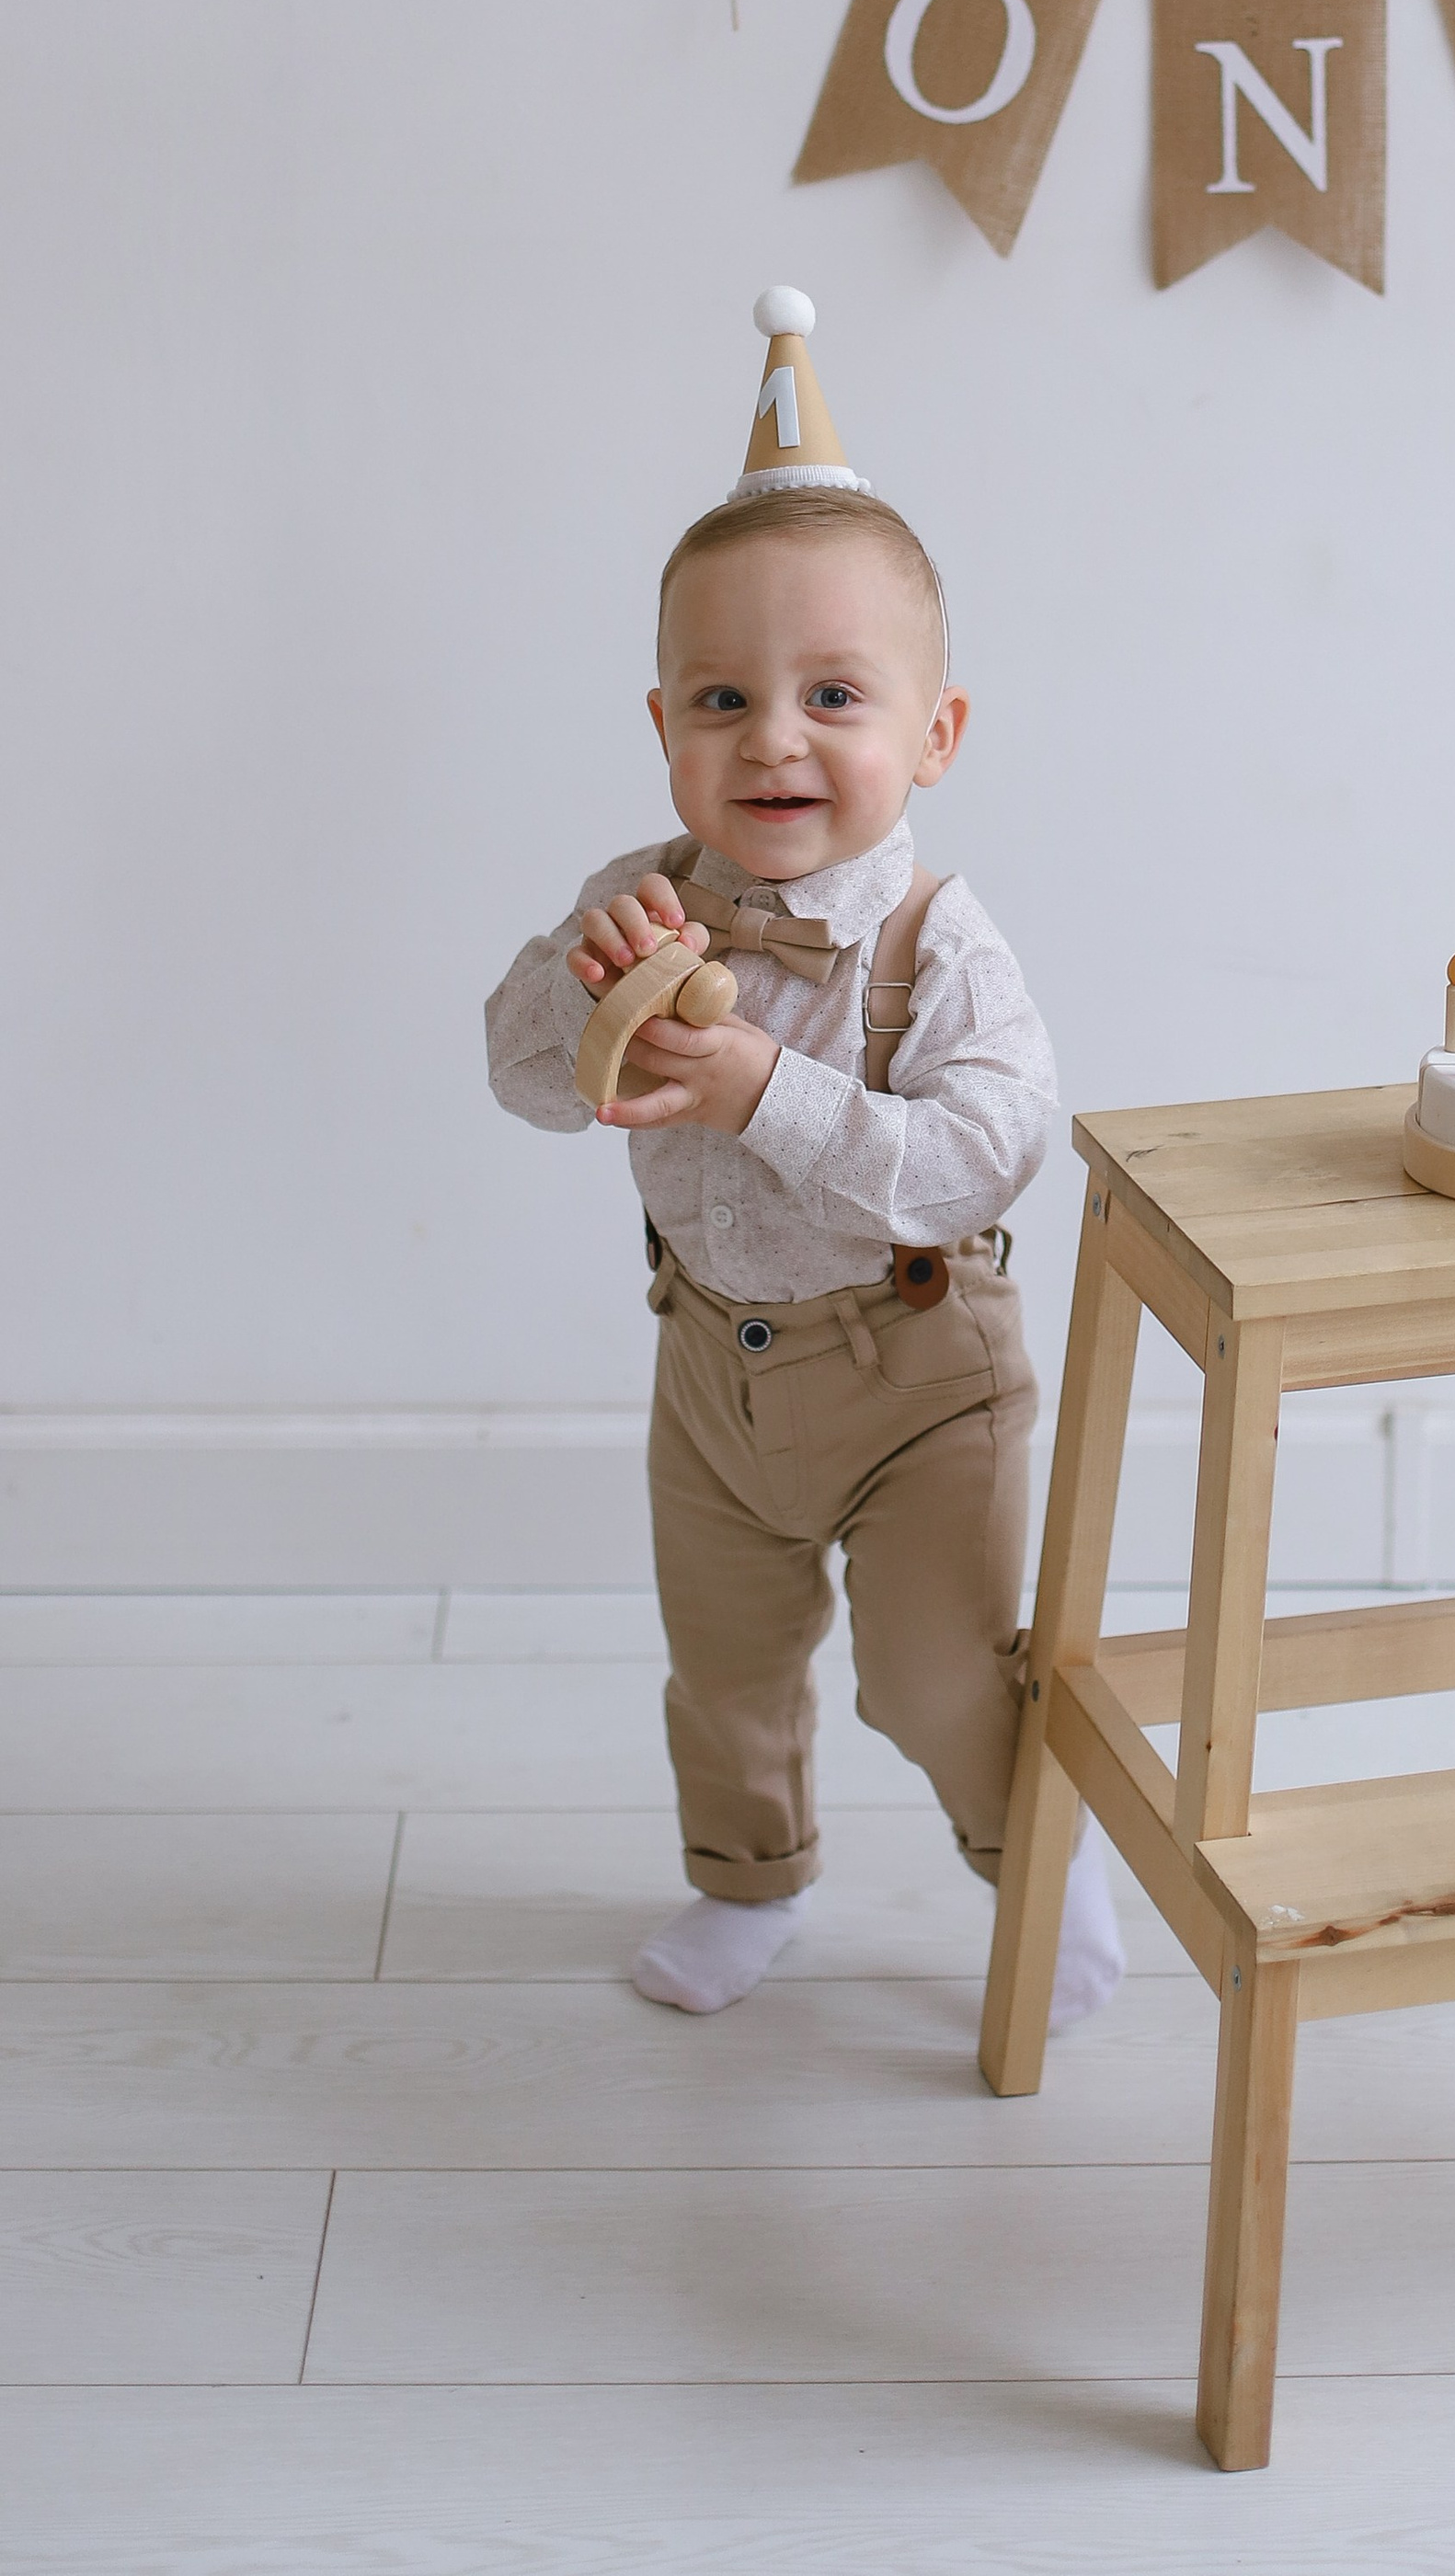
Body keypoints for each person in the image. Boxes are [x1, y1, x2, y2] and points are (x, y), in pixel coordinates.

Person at [485, 290, 1123, 2026]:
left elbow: (988, 1157)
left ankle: (1040, 1876)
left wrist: (763, 1083)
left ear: (934, 735)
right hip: (713, 1362)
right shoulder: (646, 900)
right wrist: (578, 990)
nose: (773, 736)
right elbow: (531, 1085)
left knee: (938, 1680)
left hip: (918, 1371)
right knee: (728, 1668)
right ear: (665, 726)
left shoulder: (943, 941)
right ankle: (748, 1881)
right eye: (724, 695)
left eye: (833, 693)